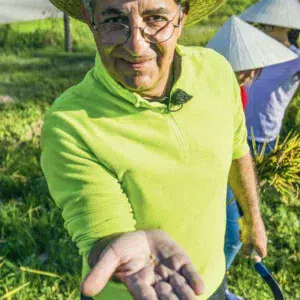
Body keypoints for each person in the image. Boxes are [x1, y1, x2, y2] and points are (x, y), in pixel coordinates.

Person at [41, 0, 267, 299]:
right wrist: (118, 249)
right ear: (90, 18)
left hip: (210, 282)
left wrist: (253, 219)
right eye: (113, 20)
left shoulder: (216, 71)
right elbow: (100, 225)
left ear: (181, 17)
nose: (135, 46)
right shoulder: (71, 122)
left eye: (156, 18)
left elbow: (237, 148)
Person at [206, 15, 297, 300]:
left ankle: (217, 288)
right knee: (230, 239)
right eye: (244, 69)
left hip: (228, 170)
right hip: (211, 175)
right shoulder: (207, 93)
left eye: (255, 70)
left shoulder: (239, 93)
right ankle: (212, 290)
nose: (250, 76)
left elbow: (236, 144)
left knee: (232, 238)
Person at [239, 0, 300, 157]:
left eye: (268, 24)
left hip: (263, 138)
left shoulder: (295, 59)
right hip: (237, 131)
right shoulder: (252, 50)